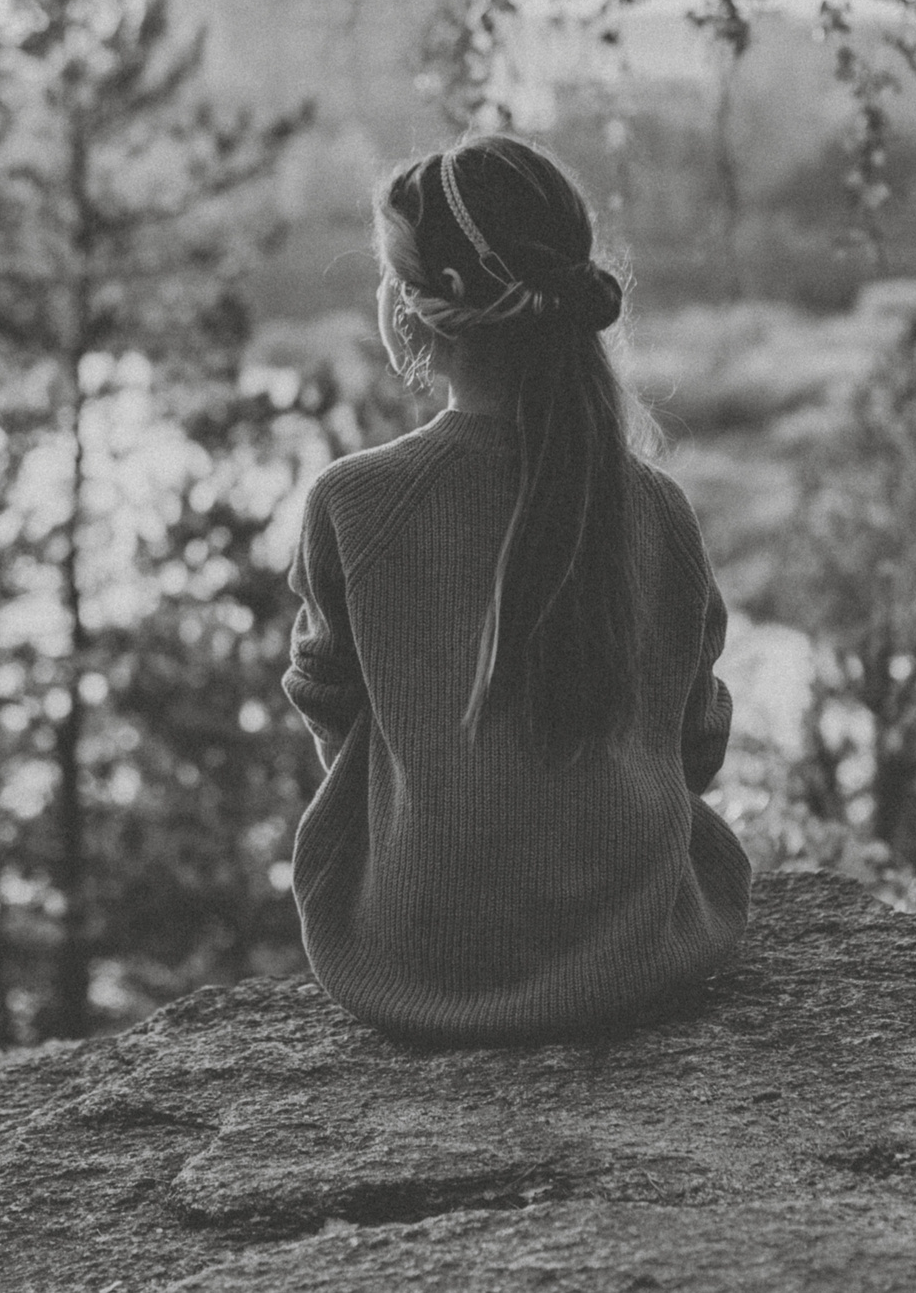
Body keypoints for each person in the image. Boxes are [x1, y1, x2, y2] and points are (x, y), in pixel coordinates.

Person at [281, 132, 752, 1045]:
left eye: (388, 272)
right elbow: (696, 735)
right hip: (634, 950)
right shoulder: (656, 506)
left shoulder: (353, 501)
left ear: (425, 310)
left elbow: (331, 717)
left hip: (415, 957)